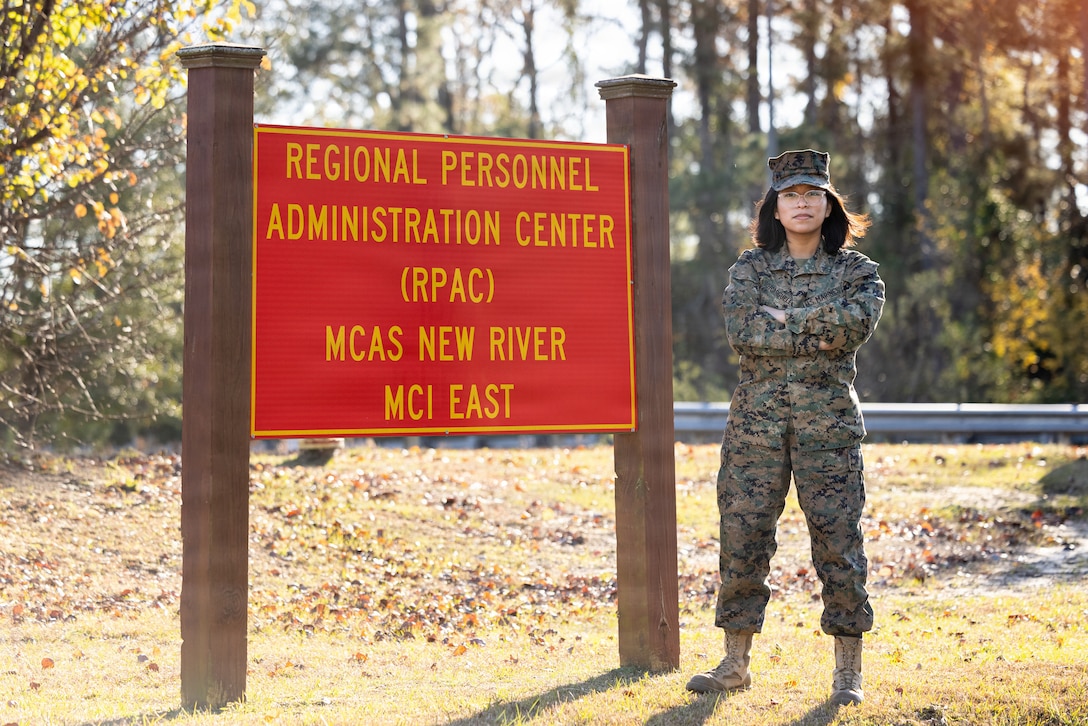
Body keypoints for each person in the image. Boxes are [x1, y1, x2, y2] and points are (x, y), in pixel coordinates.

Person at [685, 149, 885, 706]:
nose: (802, 203)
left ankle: (848, 673)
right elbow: (743, 332)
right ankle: (734, 663)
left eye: (812, 194)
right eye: (791, 195)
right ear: (775, 207)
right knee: (743, 540)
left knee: (839, 545)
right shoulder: (748, 269)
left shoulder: (858, 272)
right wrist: (815, 328)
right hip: (755, 431)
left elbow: (854, 325)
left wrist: (784, 321)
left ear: (828, 205)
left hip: (830, 432)